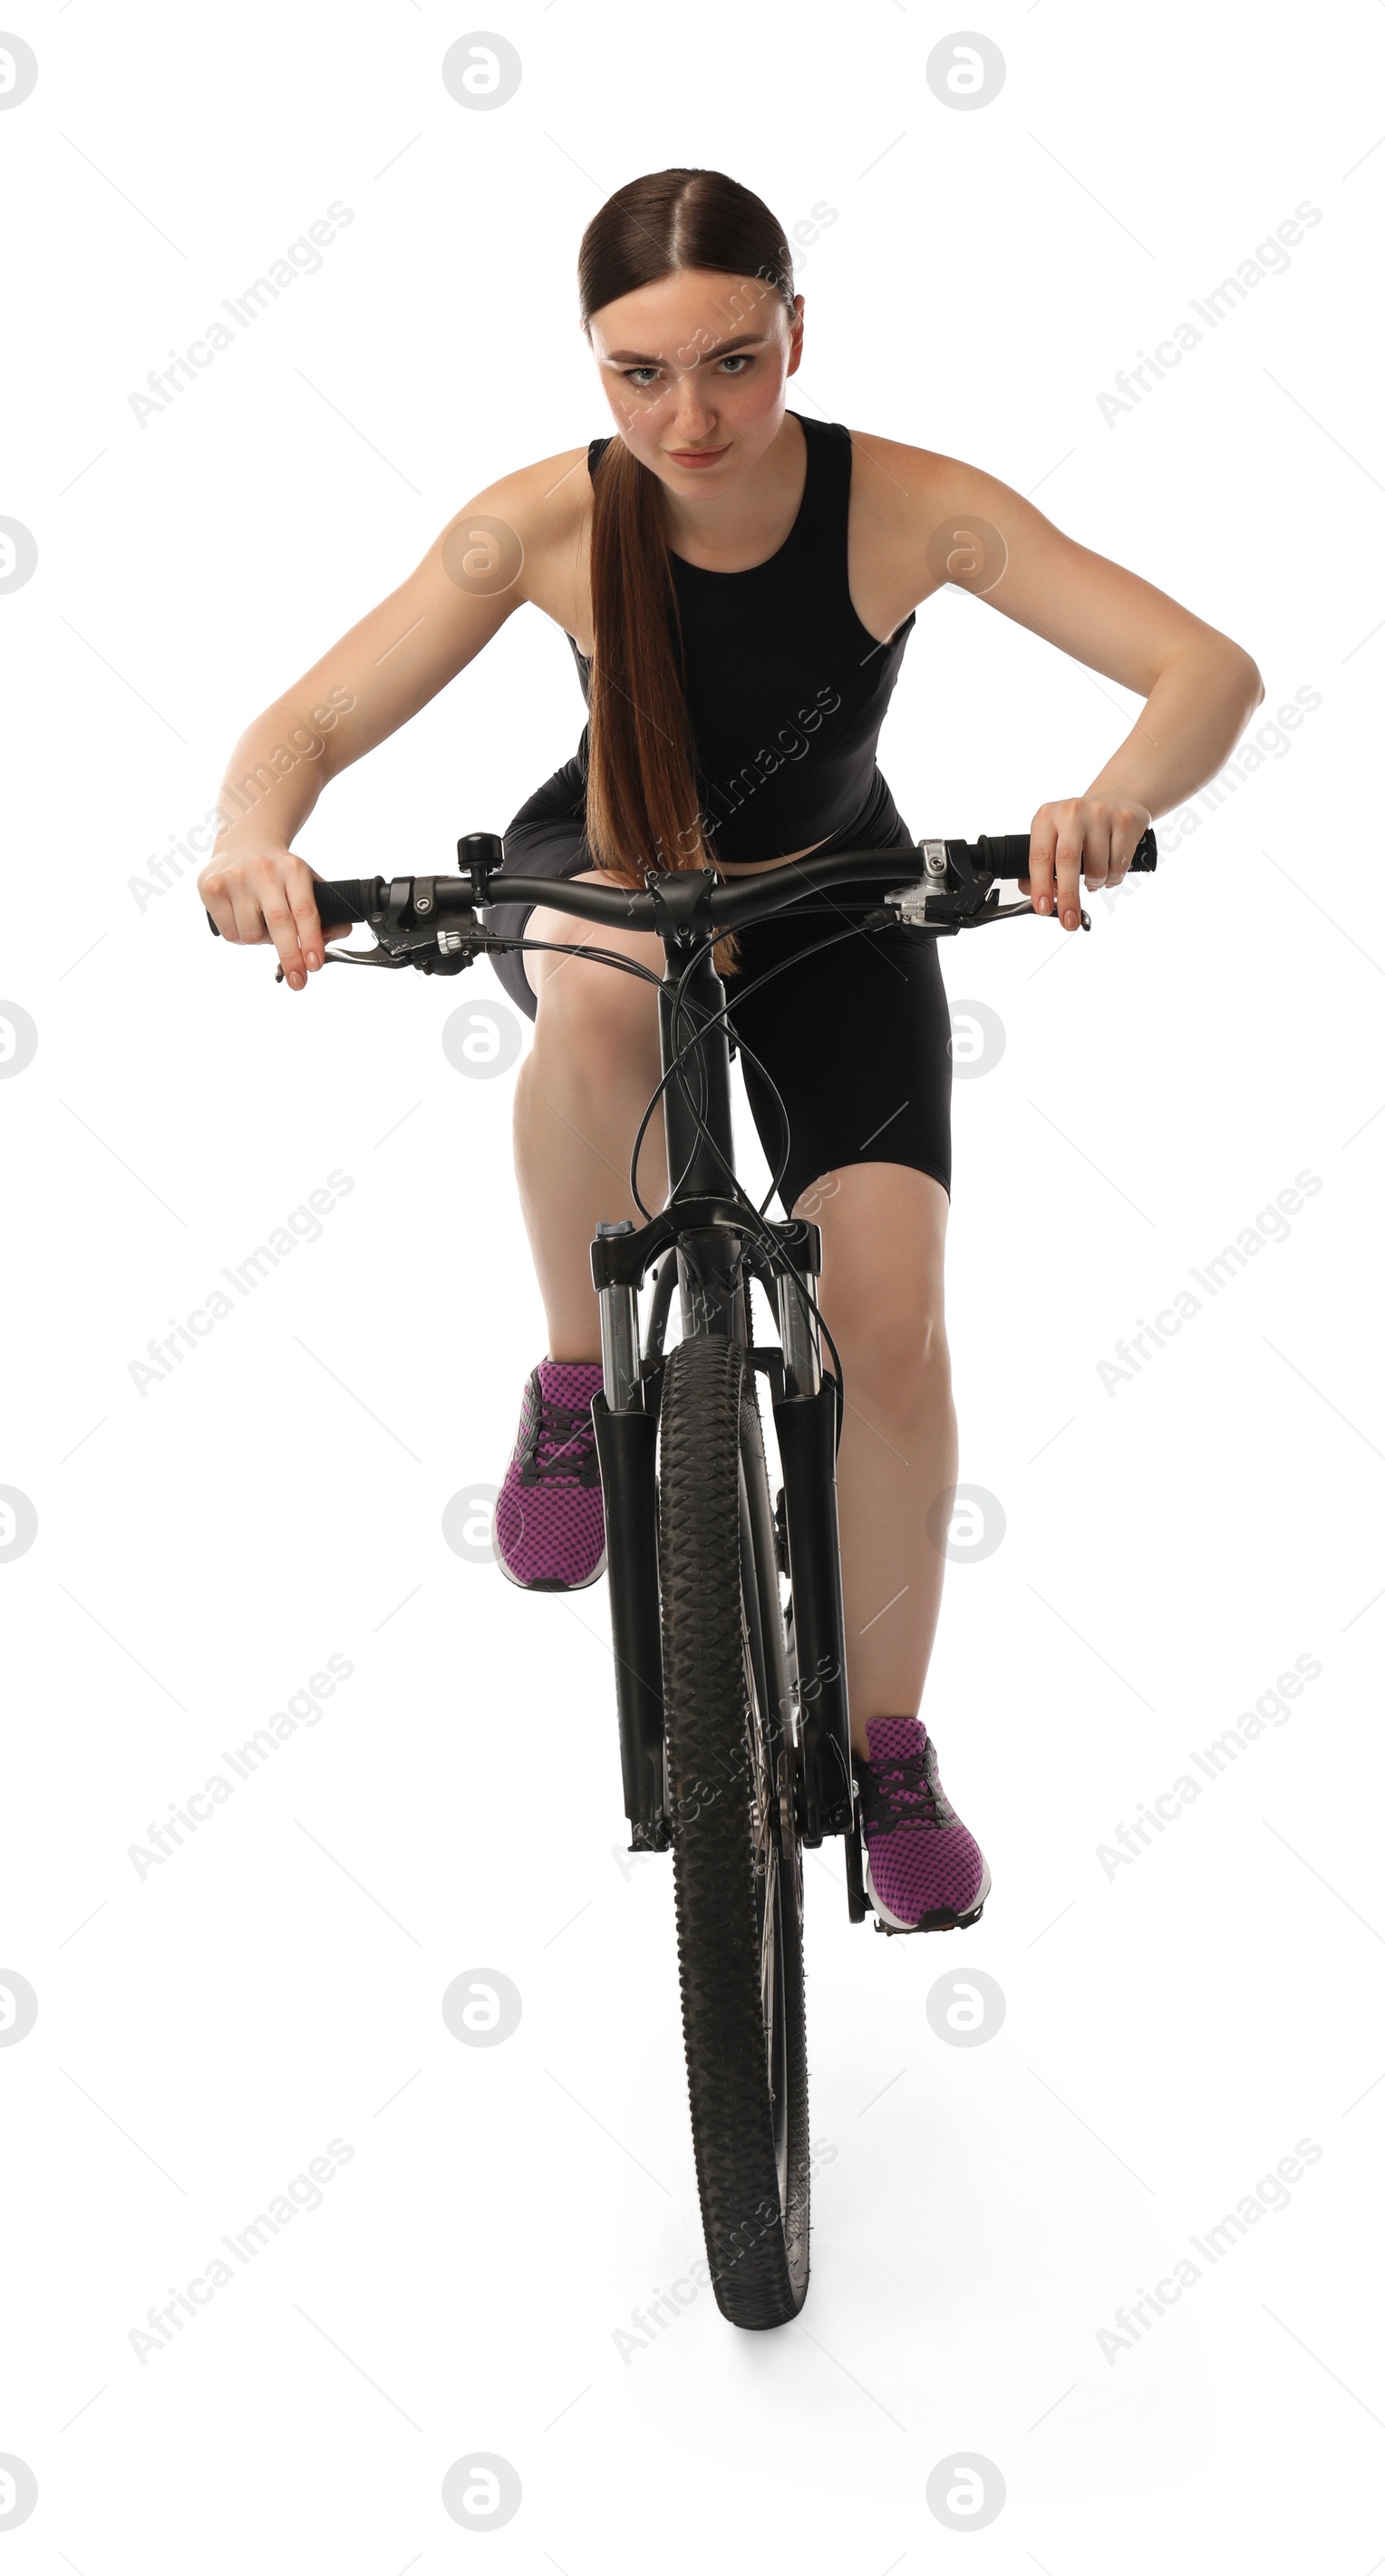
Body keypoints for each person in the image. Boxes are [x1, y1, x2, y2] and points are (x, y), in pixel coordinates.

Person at [199, 167, 1263, 1935]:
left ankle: (886, 1740)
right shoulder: (540, 520)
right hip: (613, 869)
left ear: (792, 336)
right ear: (592, 368)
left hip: (838, 903)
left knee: (894, 1319)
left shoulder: (903, 505)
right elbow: (306, 719)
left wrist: (1109, 797)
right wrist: (253, 839)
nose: (688, 415)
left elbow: (1199, 669)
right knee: (603, 984)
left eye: (730, 361)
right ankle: (569, 1382)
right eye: (638, 374)